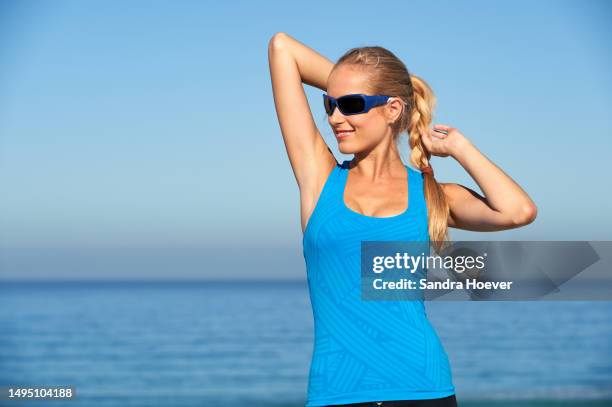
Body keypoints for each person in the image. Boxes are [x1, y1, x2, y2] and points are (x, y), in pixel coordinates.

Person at [267, 32, 537, 407]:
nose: (335, 117)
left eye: (351, 105)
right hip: (337, 392)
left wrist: (459, 147)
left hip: (424, 389)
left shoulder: (432, 196)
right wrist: (360, 90)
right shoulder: (319, 179)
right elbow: (283, 48)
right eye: (330, 104)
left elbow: (518, 211)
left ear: (392, 110)